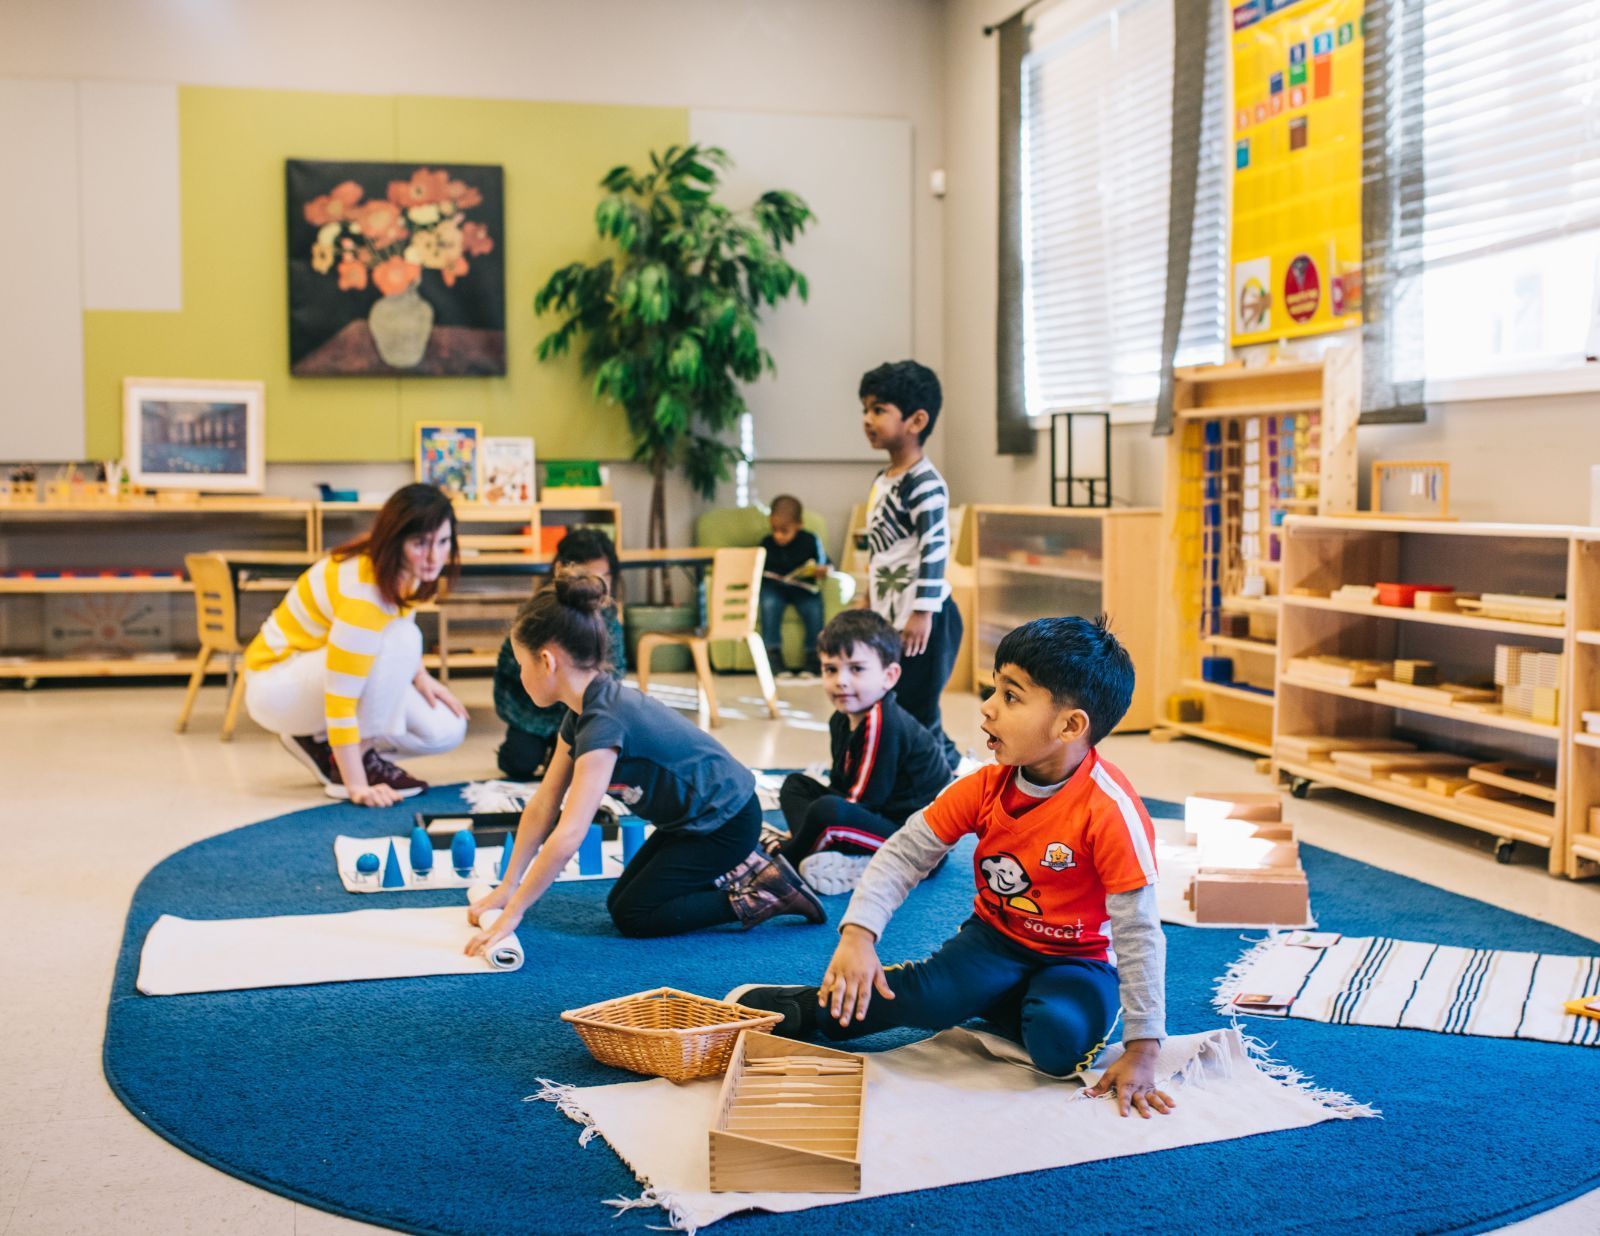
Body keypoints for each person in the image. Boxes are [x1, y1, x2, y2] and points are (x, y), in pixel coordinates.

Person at [729, 615, 1175, 1118]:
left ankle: (999, 997)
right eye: (994, 689)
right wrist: (859, 935)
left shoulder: (1111, 809)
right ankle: (815, 1005)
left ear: (1070, 725)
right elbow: (903, 853)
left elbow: (1139, 931)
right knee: (928, 996)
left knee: (1057, 1047)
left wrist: (1143, 1048)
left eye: (1011, 696)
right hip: (996, 940)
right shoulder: (984, 785)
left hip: (1081, 960)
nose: (986, 709)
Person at [464, 572, 826, 946]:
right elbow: (544, 804)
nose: (521, 676)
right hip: (692, 823)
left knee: (634, 915)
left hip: (727, 824)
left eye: (522, 665)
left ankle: (766, 892)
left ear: (546, 661)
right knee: (621, 901)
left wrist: (514, 913)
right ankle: (741, 866)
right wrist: (507, 887)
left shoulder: (603, 723)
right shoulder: (581, 711)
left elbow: (569, 833)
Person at [244, 483, 469, 806]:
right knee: (403, 640)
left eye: (443, 542)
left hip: (317, 674)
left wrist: (422, 678)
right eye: (421, 543)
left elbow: (397, 624)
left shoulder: (404, 569)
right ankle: (345, 762)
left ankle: (324, 743)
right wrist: (356, 787)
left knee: (447, 728)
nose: (435, 556)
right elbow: (341, 698)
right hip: (276, 684)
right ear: (396, 540)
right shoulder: (363, 593)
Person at [771, 610, 951, 896]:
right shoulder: (842, 718)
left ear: (889, 676)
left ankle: (782, 867)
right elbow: (843, 787)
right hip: (878, 818)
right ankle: (833, 855)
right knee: (796, 785)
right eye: (830, 669)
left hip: (920, 848)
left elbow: (862, 802)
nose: (841, 680)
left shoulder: (883, 723)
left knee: (827, 811)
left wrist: (786, 853)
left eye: (856, 669)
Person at [858, 360, 962, 771]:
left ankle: (943, 781)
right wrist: (867, 596)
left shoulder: (925, 482)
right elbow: (879, 550)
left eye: (879, 410)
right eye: (865, 409)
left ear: (917, 420)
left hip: (927, 621)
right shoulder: (884, 479)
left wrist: (922, 612)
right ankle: (936, 770)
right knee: (893, 704)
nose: (868, 419)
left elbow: (935, 548)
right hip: (891, 617)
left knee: (919, 709)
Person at [493, 528, 626, 779]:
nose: (598, 586)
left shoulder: (606, 618)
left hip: (578, 709)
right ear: (561, 571)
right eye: (589, 576)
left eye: (605, 577)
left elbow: (615, 671)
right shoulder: (540, 611)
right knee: (519, 761)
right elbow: (509, 665)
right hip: (533, 708)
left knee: (576, 763)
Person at [758, 495, 827, 677]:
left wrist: (822, 570)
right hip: (775, 588)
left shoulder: (810, 540)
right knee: (769, 604)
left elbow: (826, 563)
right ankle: (773, 658)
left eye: (784, 530)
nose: (778, 535)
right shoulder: (766, 543)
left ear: (799, 524)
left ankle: (813, 659)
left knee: (813, 608)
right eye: (774, 529)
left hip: (802, 588)